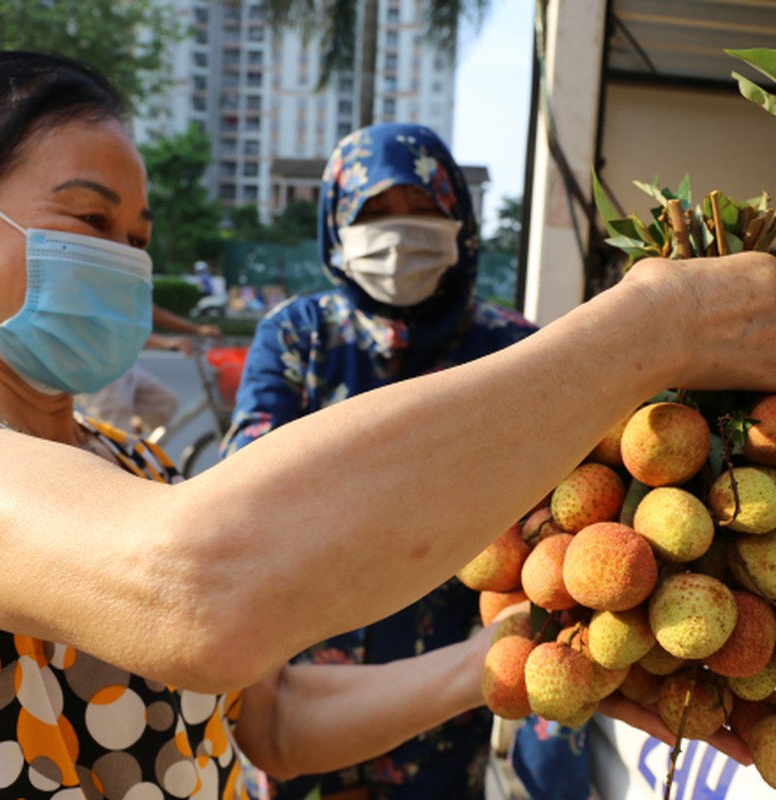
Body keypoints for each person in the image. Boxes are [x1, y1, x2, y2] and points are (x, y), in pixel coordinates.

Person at [0, 51, 776, 800]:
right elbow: (195, 589)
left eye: (137, 235)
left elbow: (266, 721)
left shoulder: (132, 463)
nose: (126, 261)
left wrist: (507, 650)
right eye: (89, 221)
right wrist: (642, 330)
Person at [222, 122, 547, 800]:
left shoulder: (516, 353)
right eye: (374, 212)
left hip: (446, 693)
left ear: (457, 219)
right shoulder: (297, 337)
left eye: (422, 207)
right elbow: (246, 492)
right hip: (299, 699)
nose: (400, 232)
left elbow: (553, 511)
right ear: (336, 225)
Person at [76, 305, 222, 435]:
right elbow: (118, 330)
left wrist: (196, 329)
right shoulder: (97, 282)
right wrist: (166, 342)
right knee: (119, 431)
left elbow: (148, 309)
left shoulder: (127, 279)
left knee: (165, 402)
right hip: (95, 369)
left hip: (122, 364)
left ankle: (130, 445)